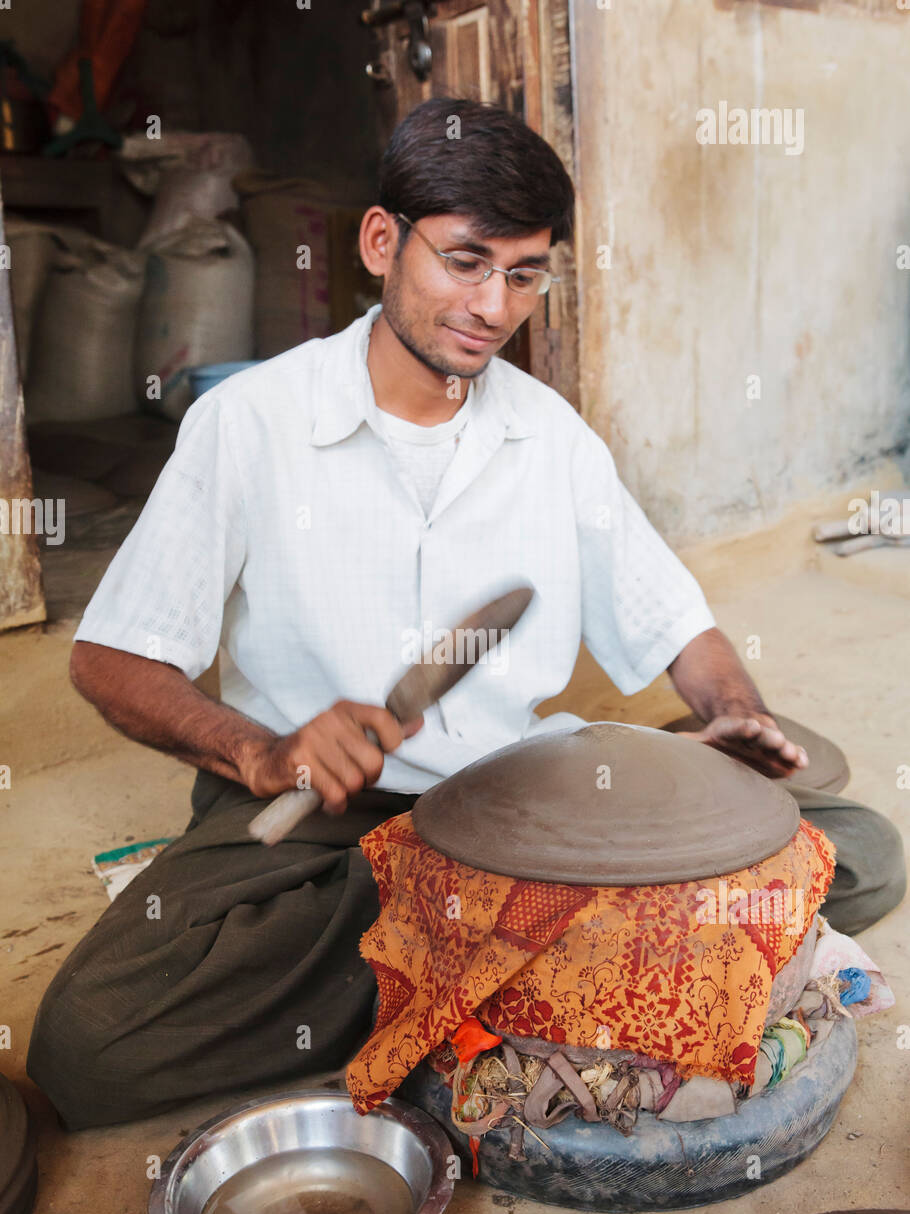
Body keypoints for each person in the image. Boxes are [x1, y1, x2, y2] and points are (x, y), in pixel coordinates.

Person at [27, 99, 904, 1130]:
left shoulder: (552, 439)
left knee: (859, 848)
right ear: (380, 242)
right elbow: (112, 659)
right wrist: (264, 756)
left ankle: (477, 949)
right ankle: (531, 951)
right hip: (330, 834)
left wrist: (732, 712)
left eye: (524, 274)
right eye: (464, 261)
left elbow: (676, 623)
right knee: (90, 1046)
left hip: (522, 813)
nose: (492, 305)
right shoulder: (250, 423)